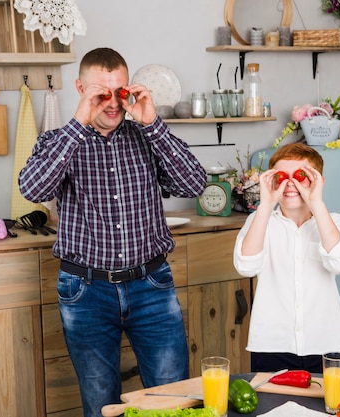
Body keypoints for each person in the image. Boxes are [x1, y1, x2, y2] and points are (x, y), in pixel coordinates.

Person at [19, 47, 207, 417]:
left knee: (173, 400)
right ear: (80, 88)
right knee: (100, 403)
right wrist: (78, 123)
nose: (112, 103)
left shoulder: (147, 137)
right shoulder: (58, 141)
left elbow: (194, 183)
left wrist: (153, 123)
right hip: (85, 292)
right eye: (100, 94)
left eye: (119, 92)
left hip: (151, 286)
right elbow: (34, 190)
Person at [233, 143, 340, 374]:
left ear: (319, 181)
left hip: (326, 343)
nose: (291, 184)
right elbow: (245, 267)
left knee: (328, 406)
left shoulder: (333, 221)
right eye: (281, 177)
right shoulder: (259, 222)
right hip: (271, 344)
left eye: (301, 176)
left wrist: (316, 202)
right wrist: (266, 204)